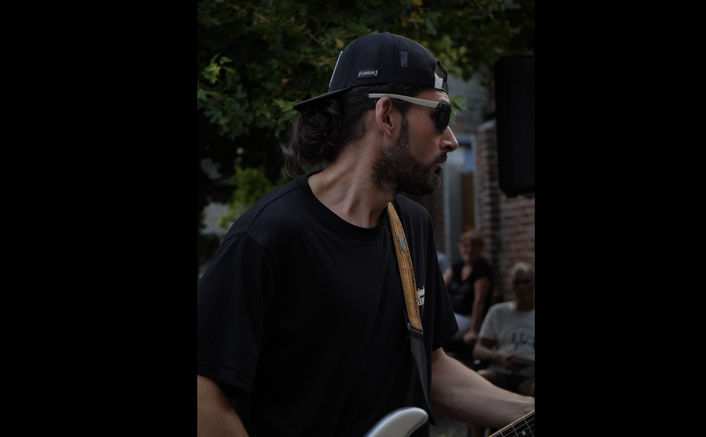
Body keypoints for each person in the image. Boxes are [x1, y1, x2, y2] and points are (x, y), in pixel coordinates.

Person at [197, 32, 534, 437]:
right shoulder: (267, 236)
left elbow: (433, 368)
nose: (451, 140)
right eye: (440, 117)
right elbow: (204, 394)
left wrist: (526, 410)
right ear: (387, 115)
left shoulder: (412, 226)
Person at [470, 262, 535, 437]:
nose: (522, 288)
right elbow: (478, 350)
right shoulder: (498, 312)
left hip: (529, 376)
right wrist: (499, 357)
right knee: (480, 380)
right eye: (517, 283)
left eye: (526, 282)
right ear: (510, 285)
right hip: (500, 372)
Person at [443, 230, 492, 346]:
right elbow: (439, 289)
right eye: (466, 246)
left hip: (468, 318)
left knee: (437, 328)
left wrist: (473, 331)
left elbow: (479, 301)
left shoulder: (482, 269)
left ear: (481, 249)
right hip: (452, 314)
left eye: (473, 247)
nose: (469, 250)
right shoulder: (457, 266)